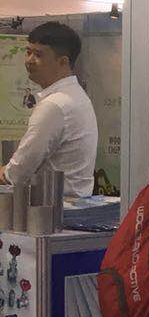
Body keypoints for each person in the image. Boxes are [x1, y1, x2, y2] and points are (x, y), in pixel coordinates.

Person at [2, 21, 97, 198]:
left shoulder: (55, 105)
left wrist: (6, 173)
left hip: (55, 208)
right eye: (28, 52)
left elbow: (18, 173)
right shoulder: (76, 96)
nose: (29, 60)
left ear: (63, 62)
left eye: (38, 55)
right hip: (71, 203)